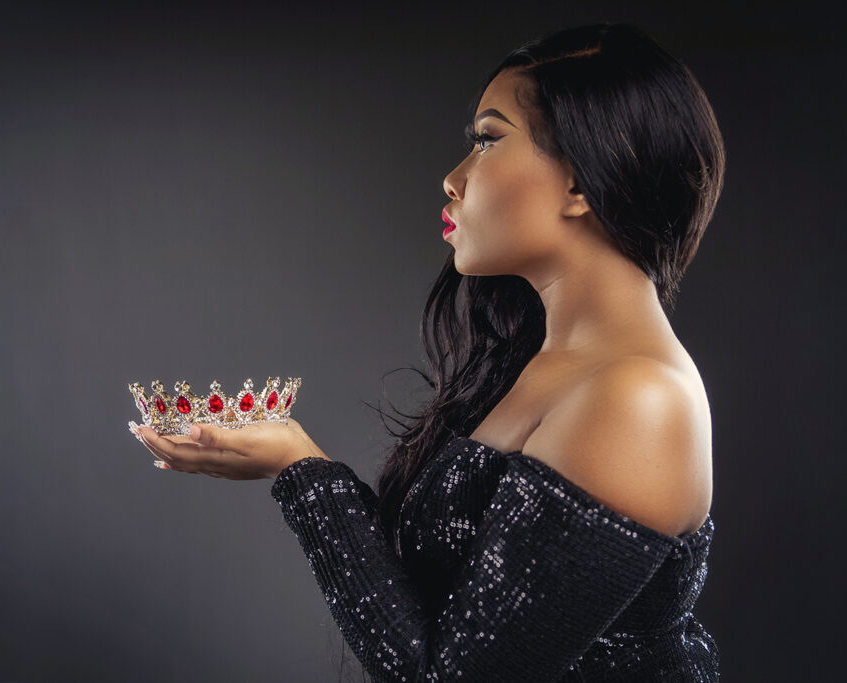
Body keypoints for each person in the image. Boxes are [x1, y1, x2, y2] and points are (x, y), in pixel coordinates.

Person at [133, 21, 725, 682]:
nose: (452, 178)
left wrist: (302, 469)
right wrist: (290, 463)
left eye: (488, 139)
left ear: (584, 181)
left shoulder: (636, 397)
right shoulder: (543, 364)